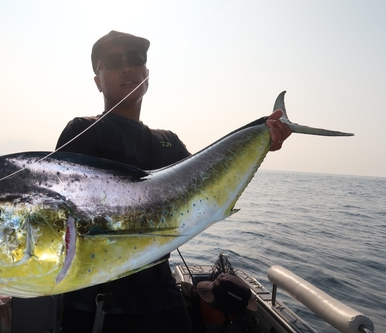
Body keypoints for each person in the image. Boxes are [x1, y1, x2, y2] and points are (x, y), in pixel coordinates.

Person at [55, 30, 291, 333]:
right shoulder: (81, 131)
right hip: (97, 299)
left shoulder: (168, 142)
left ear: (146, 72)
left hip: (162, 298)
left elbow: (209, 193)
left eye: (135, 59)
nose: (127, 67)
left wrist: (263, 141)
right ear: (97, 81)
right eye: (113, 62)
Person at [180, 274, 258, 333]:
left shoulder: (186, 296)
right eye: (227, 321)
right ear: (215, 310)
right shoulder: (181, 323)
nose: (224, 324)